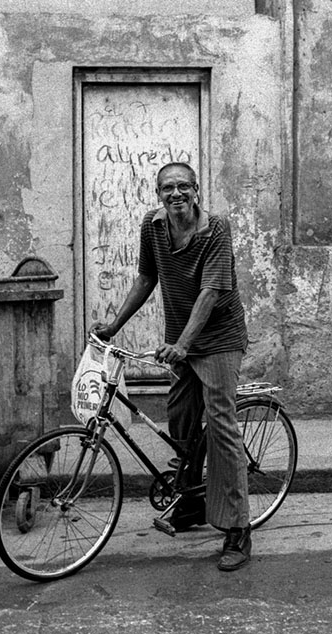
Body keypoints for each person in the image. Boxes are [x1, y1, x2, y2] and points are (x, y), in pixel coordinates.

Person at [91, 162, 252, 572]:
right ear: (158, 194)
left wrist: (183, 344)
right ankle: (193, 501)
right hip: (181, 340)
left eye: (183, 186)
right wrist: (113, 326)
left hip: (218, 338)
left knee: (221, 427)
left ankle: (238, 528)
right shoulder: (153, 227)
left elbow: (210, 292)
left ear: (196, 190)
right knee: (180, 420)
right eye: (167, 188)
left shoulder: (215, 230)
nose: (175, 194)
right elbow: (146, 278)